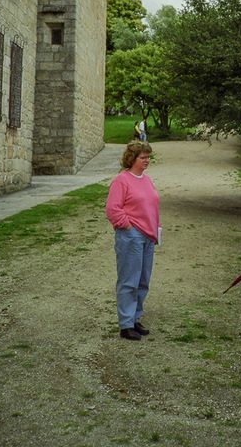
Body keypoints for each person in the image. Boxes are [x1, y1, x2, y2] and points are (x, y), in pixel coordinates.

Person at [105, 140, 160, 341]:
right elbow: (112, 209)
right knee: (129, 281)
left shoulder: (146, 180)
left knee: (143, 280)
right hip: (131, 236)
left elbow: (151, 206)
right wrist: (128, 226)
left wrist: (154, 229)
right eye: (142, 157)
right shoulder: (122, 180)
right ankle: (126, 324)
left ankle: (135, 317)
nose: (146, 160)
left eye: (148, 157)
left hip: (148, 236)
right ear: (132, 159)